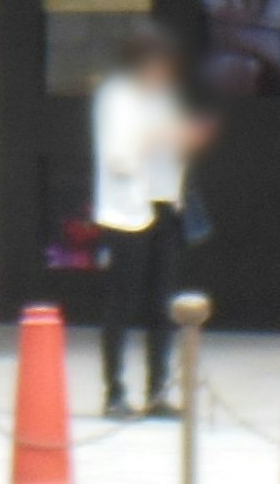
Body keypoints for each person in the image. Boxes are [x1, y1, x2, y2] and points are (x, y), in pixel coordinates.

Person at [91, 24, 210, 418]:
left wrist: (183, 138)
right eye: (158, 64)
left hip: (164, 206)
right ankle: (115, 391)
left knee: (162, 304)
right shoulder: (117, 97)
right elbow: (119, 157)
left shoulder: (162, 97)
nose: (164, 72)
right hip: (127, 211)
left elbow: (171, 150)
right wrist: (158, 136)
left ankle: (158, 389)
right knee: (121, 303)